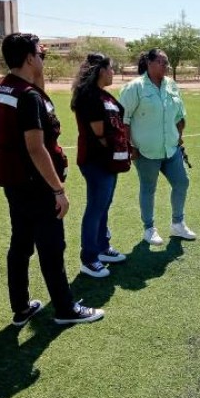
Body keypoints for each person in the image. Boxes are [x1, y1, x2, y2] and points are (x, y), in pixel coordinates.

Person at [0, 33, 104, 326]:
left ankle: (21, 307)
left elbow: (39, 100)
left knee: (21, 244)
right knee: (52, 247)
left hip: (14, 181)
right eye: (39, 55)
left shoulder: (7, 87)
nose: (43, 59)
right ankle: (66, 309)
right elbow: (35, 147)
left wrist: (37, 74)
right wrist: (58, 189)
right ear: (29, 58)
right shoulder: (27, 97)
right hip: (36, 184)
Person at [118, 48, 196, 246]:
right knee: (148, 188)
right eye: (162, 62)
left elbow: (180, 115)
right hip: (145, 151)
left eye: (167, 62)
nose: (166, 65)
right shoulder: (134, 88)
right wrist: (129, 146)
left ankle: (177, 224)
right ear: (149, 63)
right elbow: (122, 120)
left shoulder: (171, 85)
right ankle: (149, 229)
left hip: (171, 148)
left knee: (181, 183)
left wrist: (179, 137)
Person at [71, 53, 131, 279]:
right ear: (101, 71)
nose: (113, 72)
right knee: (95, 208)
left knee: (104, 205)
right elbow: (99, 134)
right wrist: (116, 149)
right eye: (111, 69)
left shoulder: (104, 95)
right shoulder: (89, 97)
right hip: (96, 161)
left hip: (108, 161)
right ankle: (89, 258)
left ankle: (102, 248)